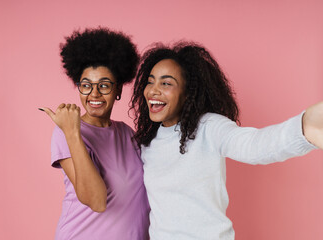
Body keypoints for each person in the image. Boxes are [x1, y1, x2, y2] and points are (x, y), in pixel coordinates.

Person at [130, 42, 322, 240]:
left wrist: (304, 128)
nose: (152, 91)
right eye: (150, 82)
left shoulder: (209, 127)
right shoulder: (147, 144)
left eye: (166, 83)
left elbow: (254, 146)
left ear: (188, 93)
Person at [40, 28, 149, 240]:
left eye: (104, 85)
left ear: (118, 90)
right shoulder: (66, 133)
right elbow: (96, 200)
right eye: (86, 85)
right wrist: (72, 132)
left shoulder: (127, 134)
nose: (94, 93)